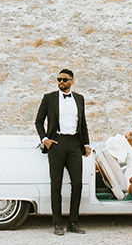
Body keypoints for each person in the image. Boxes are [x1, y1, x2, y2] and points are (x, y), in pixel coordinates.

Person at [35, 68, 91, 235]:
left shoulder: (80, 99)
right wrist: (45, 140)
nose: (61, 82)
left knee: (77, 184)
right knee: (56, 185)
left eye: (65, 79)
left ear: (72, 81)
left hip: (74, 143)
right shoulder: (49, 98)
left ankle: (73, 222)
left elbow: (83, 123)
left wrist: (86, 143)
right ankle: (57, 223)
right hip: (56, 143)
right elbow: (39, 121)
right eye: (59, 79)